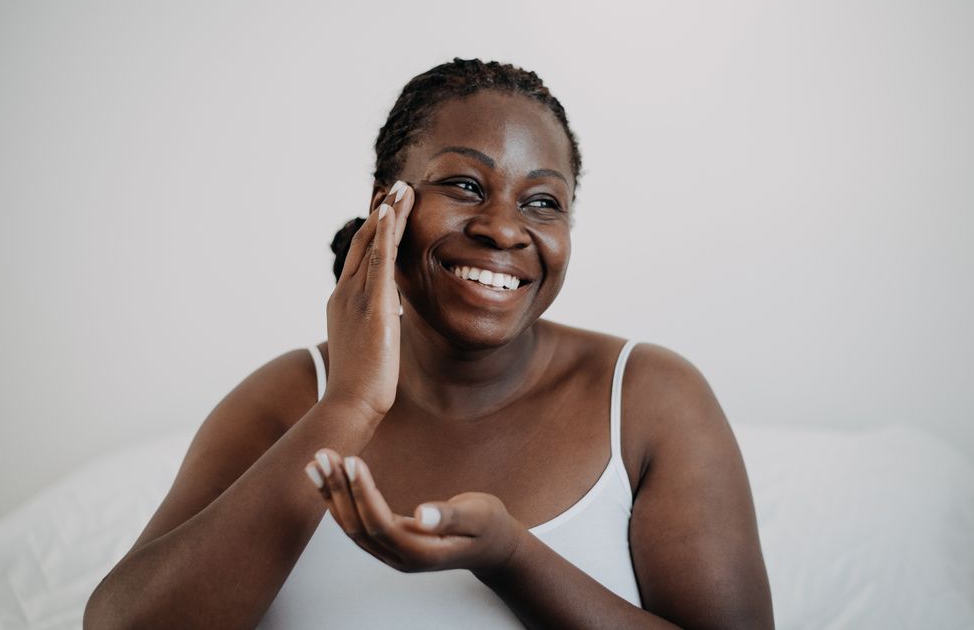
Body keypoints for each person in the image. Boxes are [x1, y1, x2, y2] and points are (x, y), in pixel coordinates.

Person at [85, 58, 774, 629]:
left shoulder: (648, 396)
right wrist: (350, 405)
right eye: (466, 185)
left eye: (543, 202)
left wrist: (511, 556)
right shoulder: (289, 397)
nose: (505, 229)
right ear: (389, 202)